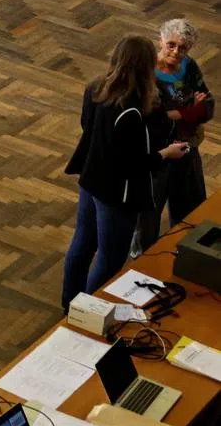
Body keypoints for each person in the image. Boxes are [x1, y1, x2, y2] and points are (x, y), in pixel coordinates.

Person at [61, 35, 190, 310]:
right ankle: (85, 312)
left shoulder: (96, 87)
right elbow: (134, 164)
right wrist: (167, 153)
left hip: (90, 178)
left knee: (82, 244)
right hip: (116, 193)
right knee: (110, 259)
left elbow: (87, 126)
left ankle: (69, 305)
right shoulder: (131, 109)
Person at [132, 19, 213, 257]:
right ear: (160, 41)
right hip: (157, 152)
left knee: (191, 207)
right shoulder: (145, 73)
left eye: (183, 47)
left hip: (187, 145)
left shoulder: (189, 66)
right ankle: (142, 258)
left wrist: (179, 113)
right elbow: (150, 119)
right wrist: (188, 110)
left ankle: (186, 252)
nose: (176, 52)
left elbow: (208, 107)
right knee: (148, 212)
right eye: (171, 45)